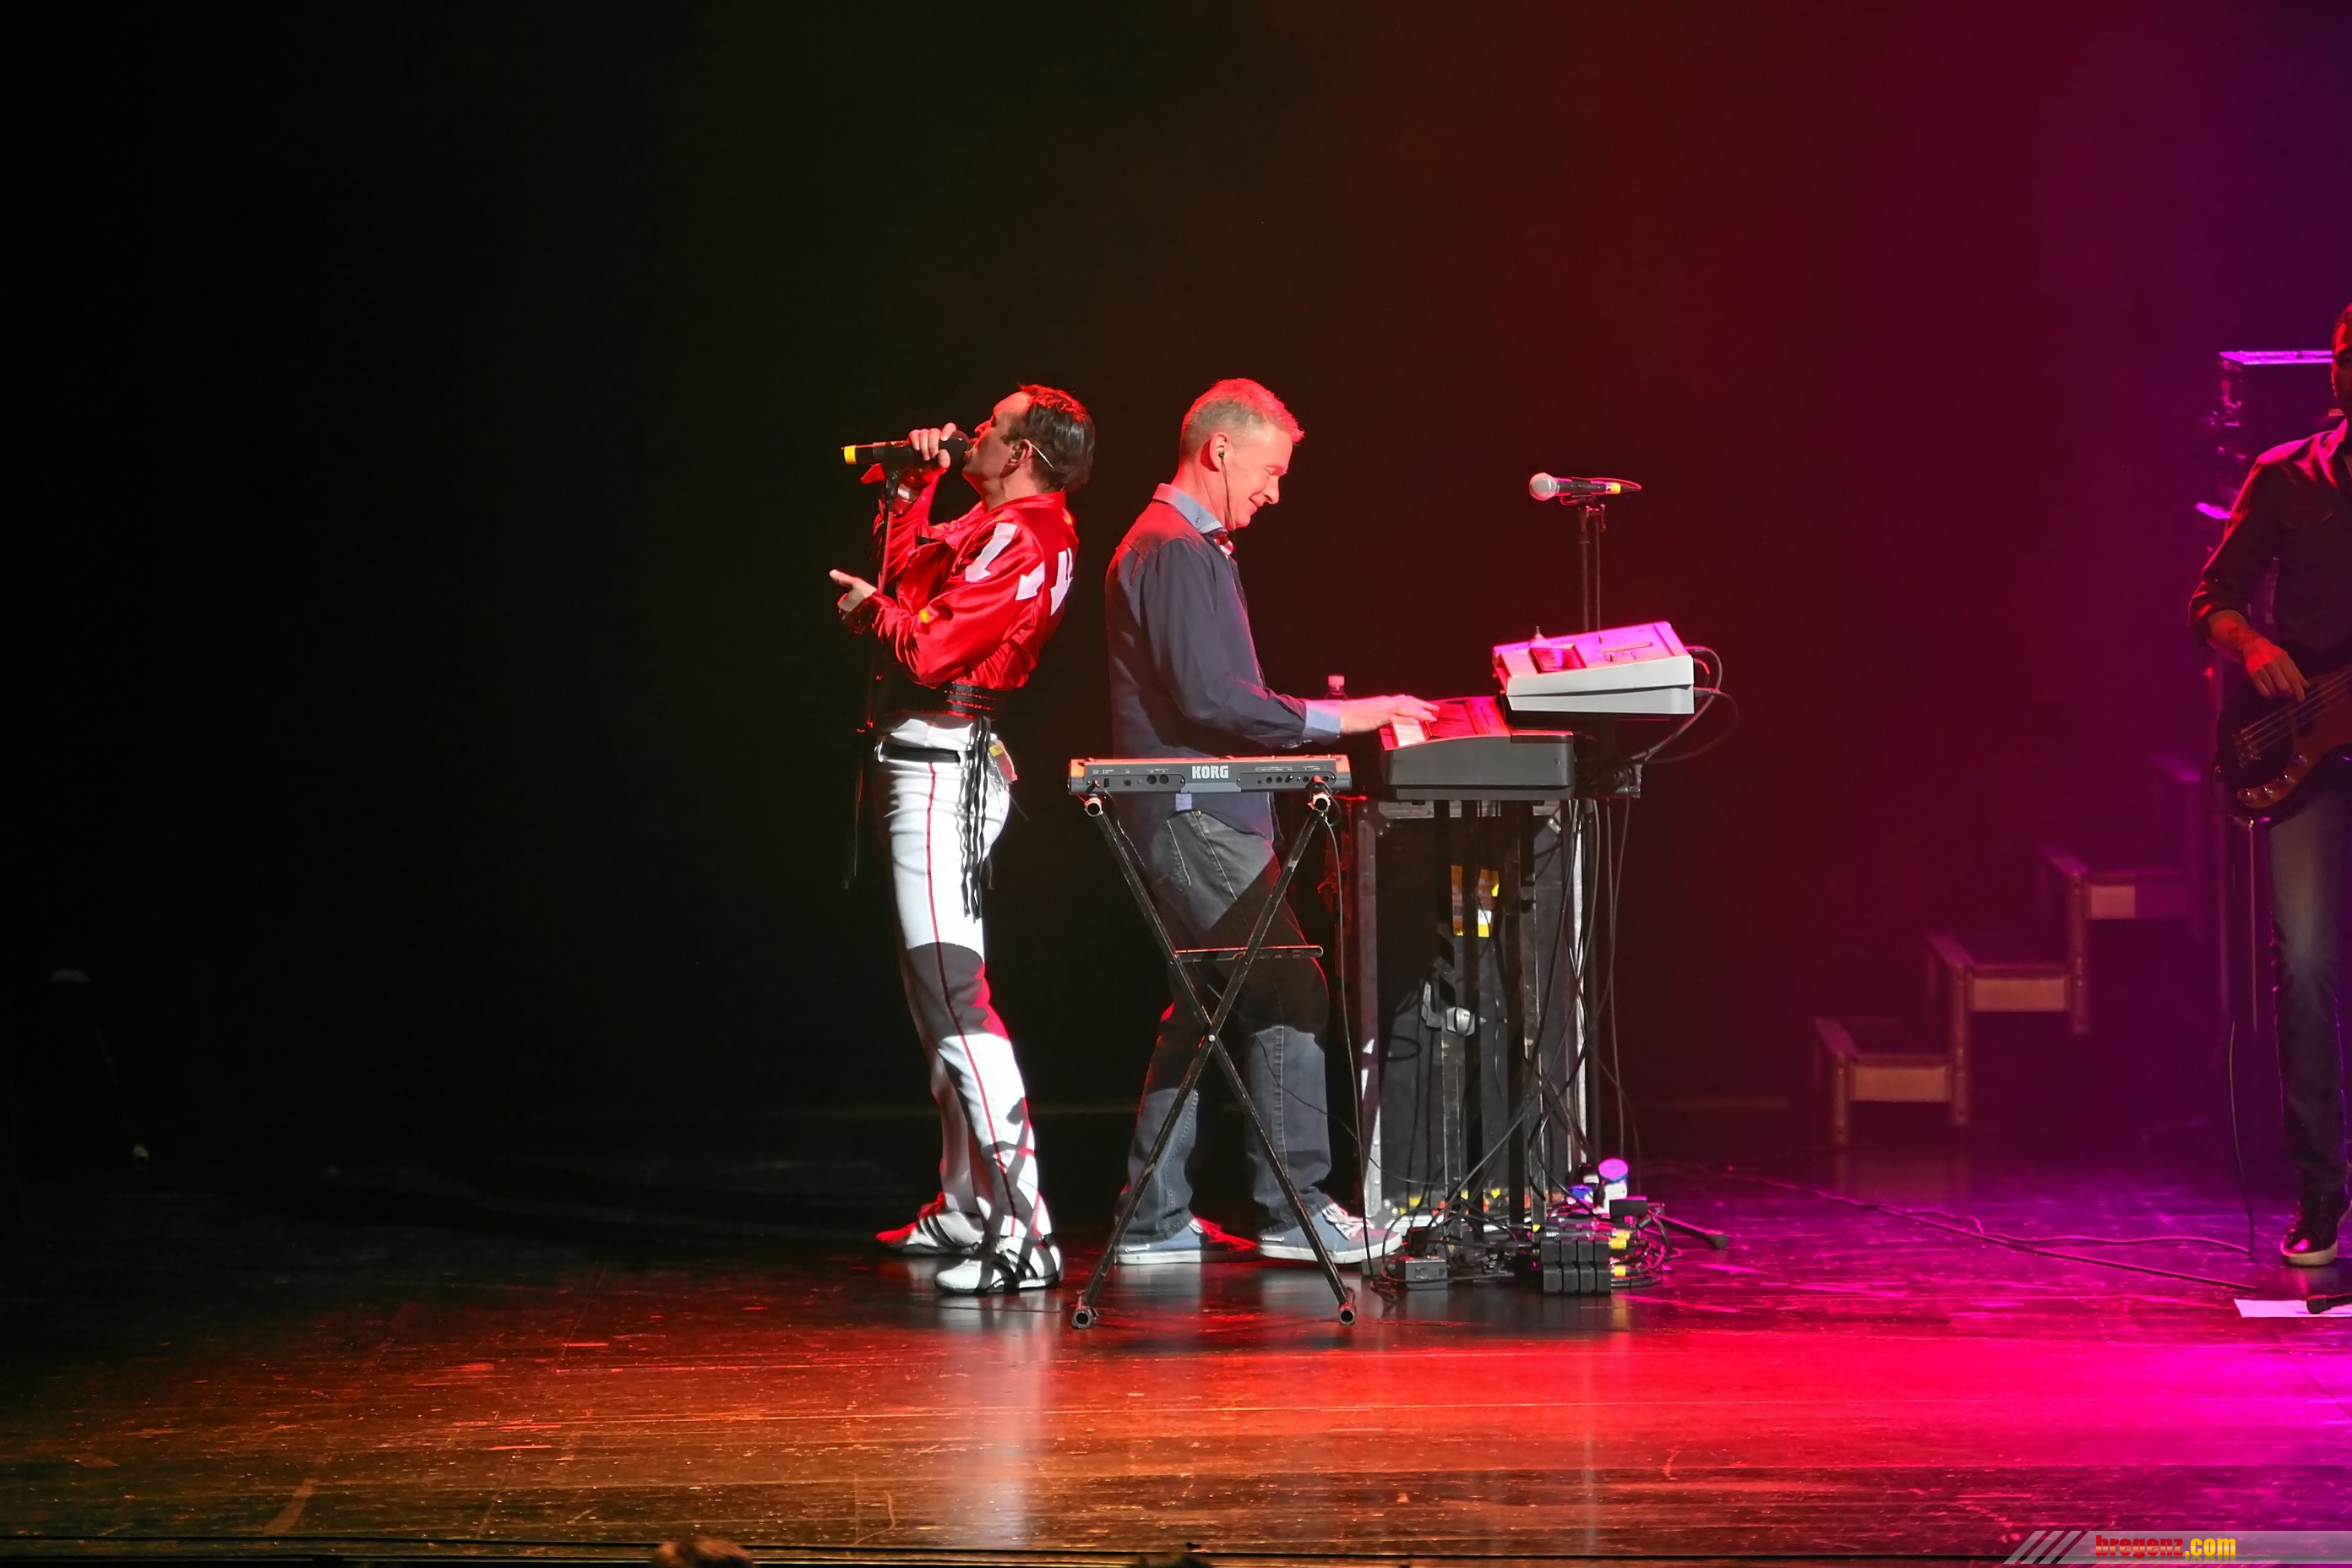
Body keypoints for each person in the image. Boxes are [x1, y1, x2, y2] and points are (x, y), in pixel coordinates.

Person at [1102, 377, 1435, 1266]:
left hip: (1201, 811)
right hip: (1193, 814)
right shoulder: (1172, 547)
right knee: (1288, 988)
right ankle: (1296, 1214)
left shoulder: (1189, 545)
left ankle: (1152, 1220)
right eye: (1270, 470)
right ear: (1219, 450)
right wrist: (1345, 717)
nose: (1275, 492)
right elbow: (1214, 699)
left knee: (1205, 1007)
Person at [830, 384, 1095, 1293]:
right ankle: (969, 1201)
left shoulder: (1027, 535)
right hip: (930, 759)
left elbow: (929, 647)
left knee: (954, 996)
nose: (973, 433)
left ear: (1021, 453)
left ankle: (1027, 1228)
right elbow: (909, 579)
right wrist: (911, 490)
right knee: (937, 998)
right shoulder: (1002, 525)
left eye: (991, 427)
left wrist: (874, 614)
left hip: (943, 766)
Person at [2189, 303, 2351, 1266]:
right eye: (2346, 358)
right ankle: (2324, 1193)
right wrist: (2251, 646)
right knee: (2310, 962)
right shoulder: (2286, 474)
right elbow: (2211, 596)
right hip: (2305, 746)